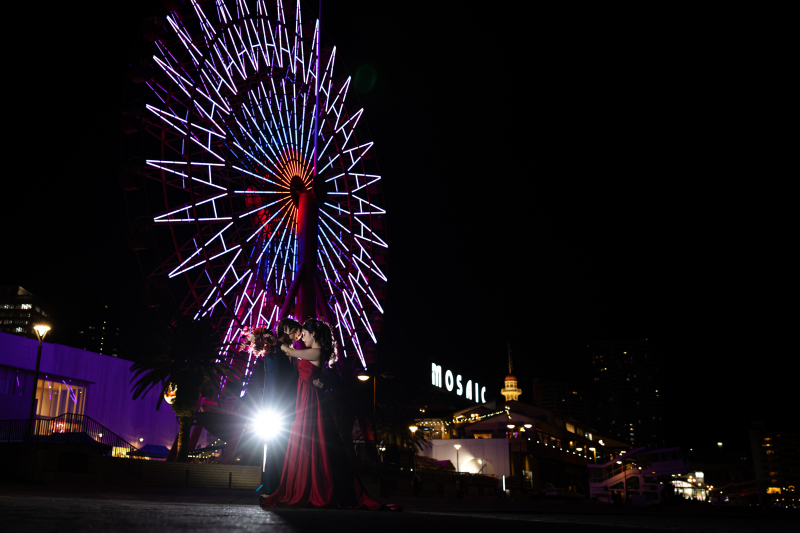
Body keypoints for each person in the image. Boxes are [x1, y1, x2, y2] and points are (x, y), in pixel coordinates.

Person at [260, 318, 402, 511]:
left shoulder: (318, 352)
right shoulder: (315, 353)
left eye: (306, 334)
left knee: (310, 441)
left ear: (315, 334)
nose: (302, 338)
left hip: (309, 401)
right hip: (305, 398)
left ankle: (312, 488)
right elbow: (314, 375)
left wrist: (269, 338)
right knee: (305, 443)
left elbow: (290, 351)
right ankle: (305, 484)